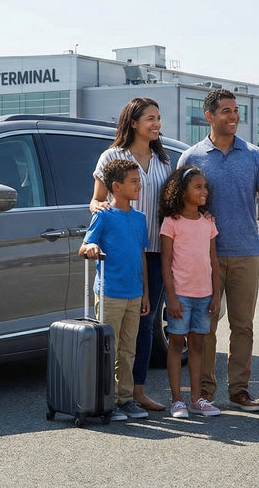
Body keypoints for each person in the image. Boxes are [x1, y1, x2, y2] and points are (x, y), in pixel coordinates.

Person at [178, 89, 259, 412]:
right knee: (206, 326)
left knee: (243, 325)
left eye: (236, 111)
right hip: (204, 255)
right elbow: (180, 204)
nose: (233, 116)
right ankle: (205, 390)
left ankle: (239, 390)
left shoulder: (255, 155)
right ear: (209, 116)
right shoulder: (191, 157)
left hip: (245, 251)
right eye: (226, 111)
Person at [90, 97, 171, 412]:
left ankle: (137, 391)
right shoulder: (112, 156)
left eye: (158, 118)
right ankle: (112, 393)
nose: (156, 124)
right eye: (150, 118)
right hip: (123, 252)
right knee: (118, 326)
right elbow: (96, 201)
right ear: (133, 122)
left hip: (155, 250)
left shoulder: (163, 160)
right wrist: (99, 209)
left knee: (146, 322)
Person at [80, 158, 151, 422]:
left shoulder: (140, 219)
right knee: (108, 348)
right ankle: (106, 400)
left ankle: (126, 398)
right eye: (134, 182)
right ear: (116, 186)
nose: (139, 185)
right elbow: (84, 246)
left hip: (134, 294)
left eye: (139, 181)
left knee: (128, 349)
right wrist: (91, 249)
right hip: (110, 292)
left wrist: (145, 292)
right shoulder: (103, 215)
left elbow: (141, 255)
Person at [158, 165, 223, 418]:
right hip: (180, 295)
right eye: (198, 187)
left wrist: (216, 295)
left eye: (205, 187)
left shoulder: (208, 222)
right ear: (182, 191)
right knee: (176, 344)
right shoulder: (171, 222)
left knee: (197, 345)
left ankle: (197, 399)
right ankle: (177, 400)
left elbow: (214, 262)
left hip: (204, 295)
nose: (203, 191)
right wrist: (171, 297)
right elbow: (166, 263)